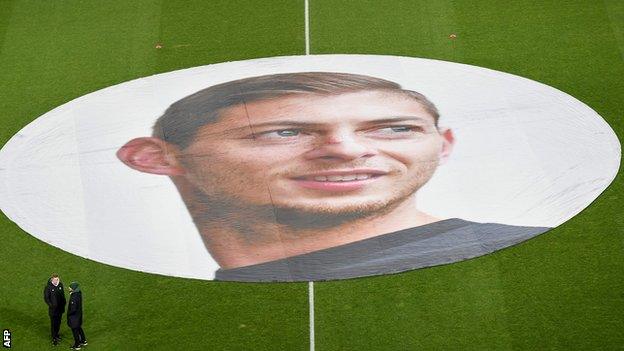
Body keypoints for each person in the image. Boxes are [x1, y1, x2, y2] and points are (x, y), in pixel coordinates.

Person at [117, 72, 549, 281]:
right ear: (153, 158)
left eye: (396, 128)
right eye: (283, 132)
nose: (347, 149)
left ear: (444, 145)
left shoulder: (519, 259)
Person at [43, 273, 66, 345]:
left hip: (60, 309)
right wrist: (51, 305)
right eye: (55, 280)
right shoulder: (48, 287)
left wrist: (64, 303)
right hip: (53, 310)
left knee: (58, 323)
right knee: (53, 324)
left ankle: (57, 334)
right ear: (52, 279)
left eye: (57, 279)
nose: (56, 281)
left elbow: (63, 295)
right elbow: (46, 298)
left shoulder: (60, 285)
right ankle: (54, 338)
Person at [67, 282, 87, 350]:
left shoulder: (74, 297)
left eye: (70, 287)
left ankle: (77, 345)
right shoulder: (79, 293)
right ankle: (84, 341)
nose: (69, 288)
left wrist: (69, 314)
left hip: (74, 317)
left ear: (73, 288)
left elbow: (73, 309)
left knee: (75, 331)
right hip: (79, 316)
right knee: (79, 328)